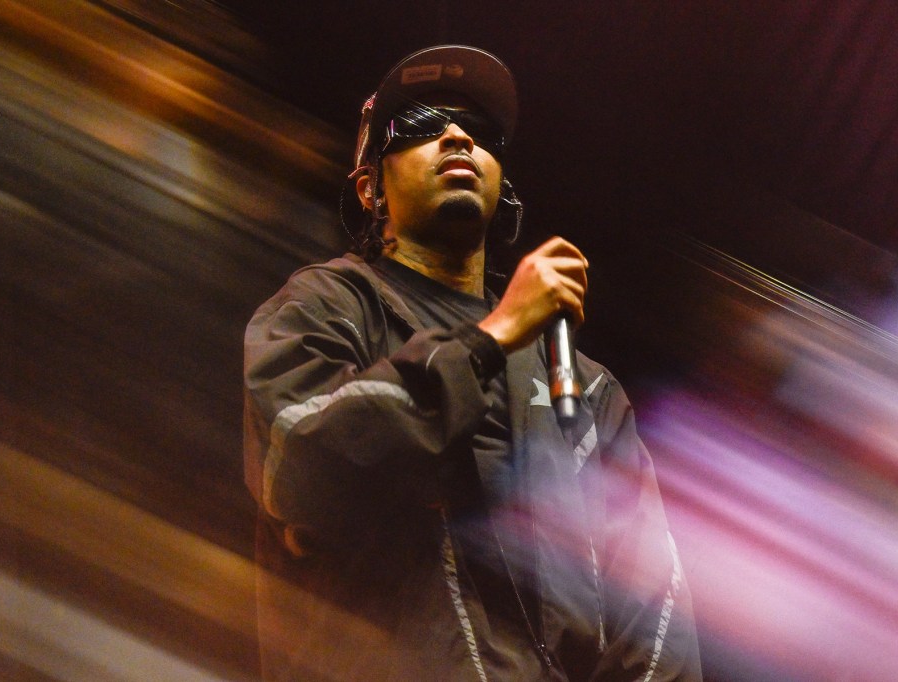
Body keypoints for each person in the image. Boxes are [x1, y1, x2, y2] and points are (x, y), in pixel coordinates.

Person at [243, 45, 701, 682]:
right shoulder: (326, 306)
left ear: (500, 180)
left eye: (479, 129)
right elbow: (301, 459)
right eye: (420, 124)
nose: (458, 136)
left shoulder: (587, 391)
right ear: (371, 188)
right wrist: (496, 336)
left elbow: (654, 621)